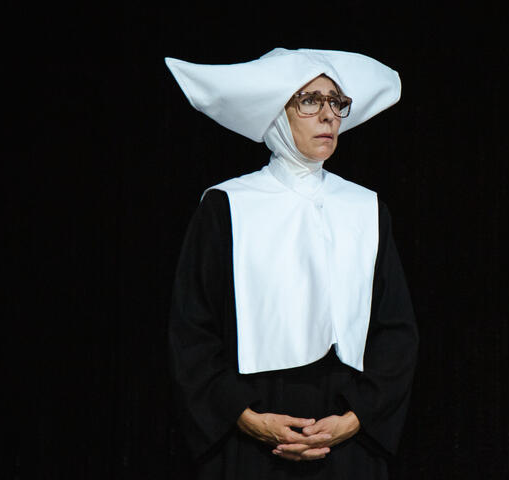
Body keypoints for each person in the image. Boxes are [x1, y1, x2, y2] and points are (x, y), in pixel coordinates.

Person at [165, 48, 418, 479]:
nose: (329, 115)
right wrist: (245, 417)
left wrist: (356, 418)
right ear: (276, 113)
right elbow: (192, 330)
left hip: (344, 439)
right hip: (251, 439)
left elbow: (396, 330)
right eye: (310, 101)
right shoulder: (227, 206)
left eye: (336, 102)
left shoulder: (365, 208)